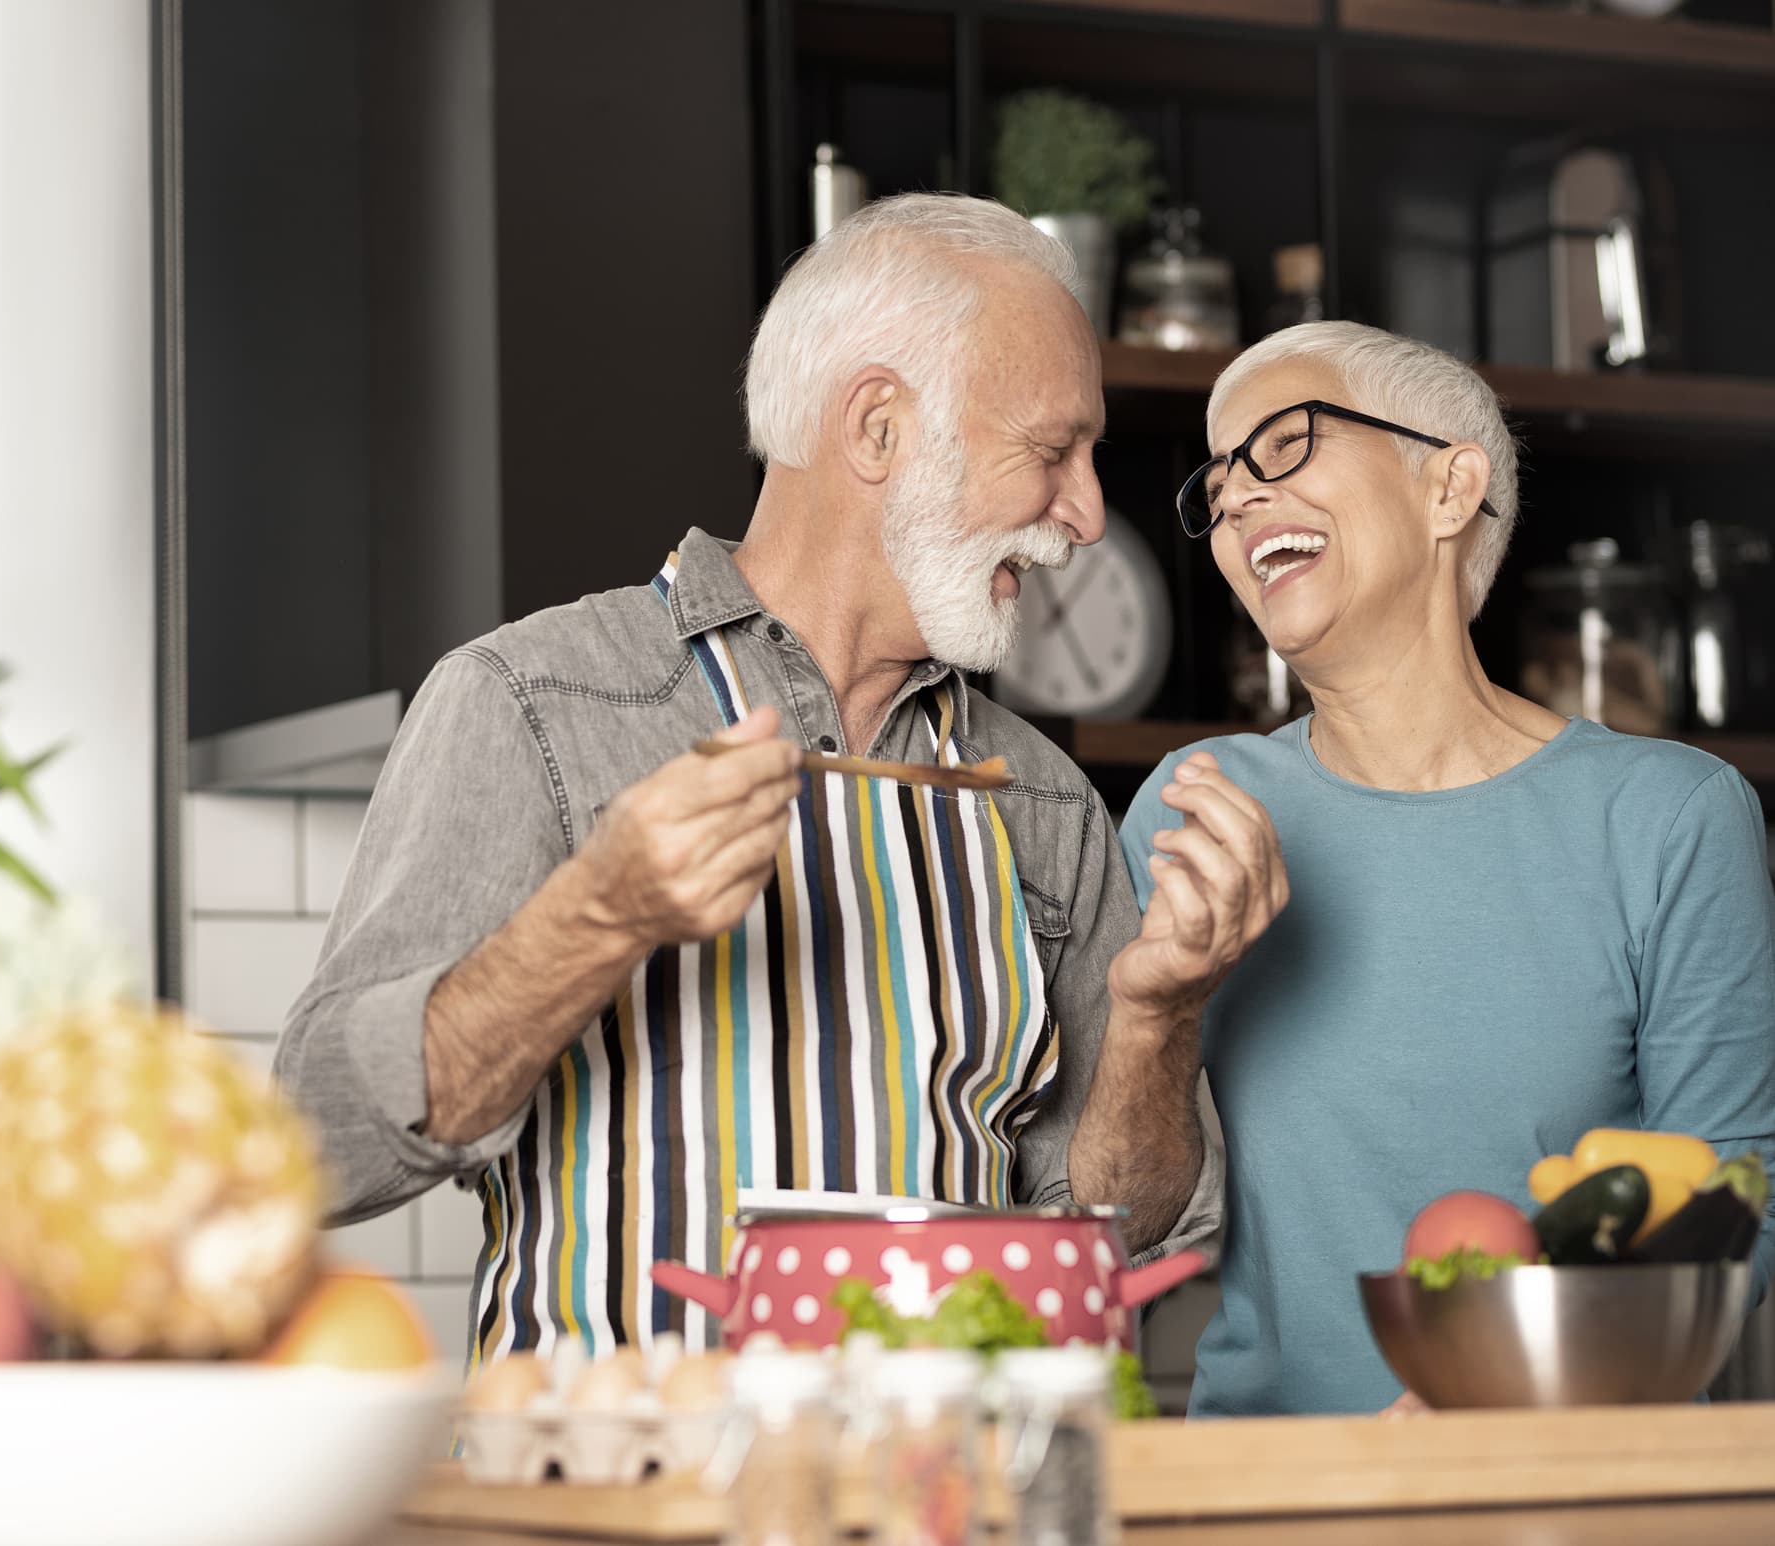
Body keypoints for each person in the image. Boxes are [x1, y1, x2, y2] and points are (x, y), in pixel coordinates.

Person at [278, 194, 1286, 1360]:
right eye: (1051, 451)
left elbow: (1117, 1235)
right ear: (875, 429)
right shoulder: (533, 704)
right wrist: (596, 918)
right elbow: (312, 1144)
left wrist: (1160, 1016)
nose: (1085, 511)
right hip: (617, 1502)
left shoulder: (1042, 797)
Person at [1120, 320, 1775, 1417]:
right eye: (1218, 479)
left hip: (1572, 1497)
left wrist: (1510, 1382)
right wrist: (1156, 1009)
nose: (1233, 501)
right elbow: (1115, 1209)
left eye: (1282, 445)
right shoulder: (1197, 808)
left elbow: (1734, 1205)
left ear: (1447, 489)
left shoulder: (1668, 818)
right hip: (1274, 1499)